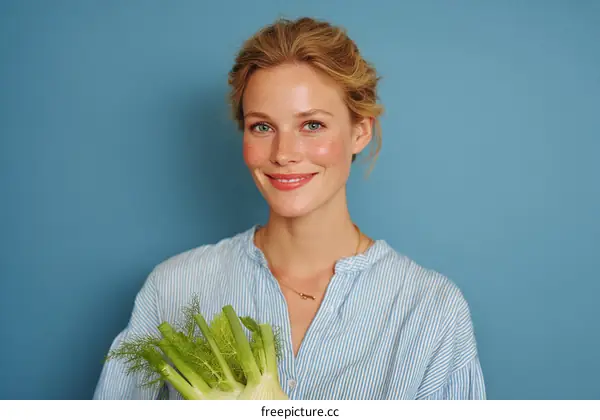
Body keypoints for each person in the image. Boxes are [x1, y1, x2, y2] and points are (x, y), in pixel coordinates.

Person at [93, 16, 486, 400]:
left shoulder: (431, 310)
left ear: (360, 131)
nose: (283, 154)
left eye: (312, 125)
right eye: (262, 127)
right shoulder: (174, 289)